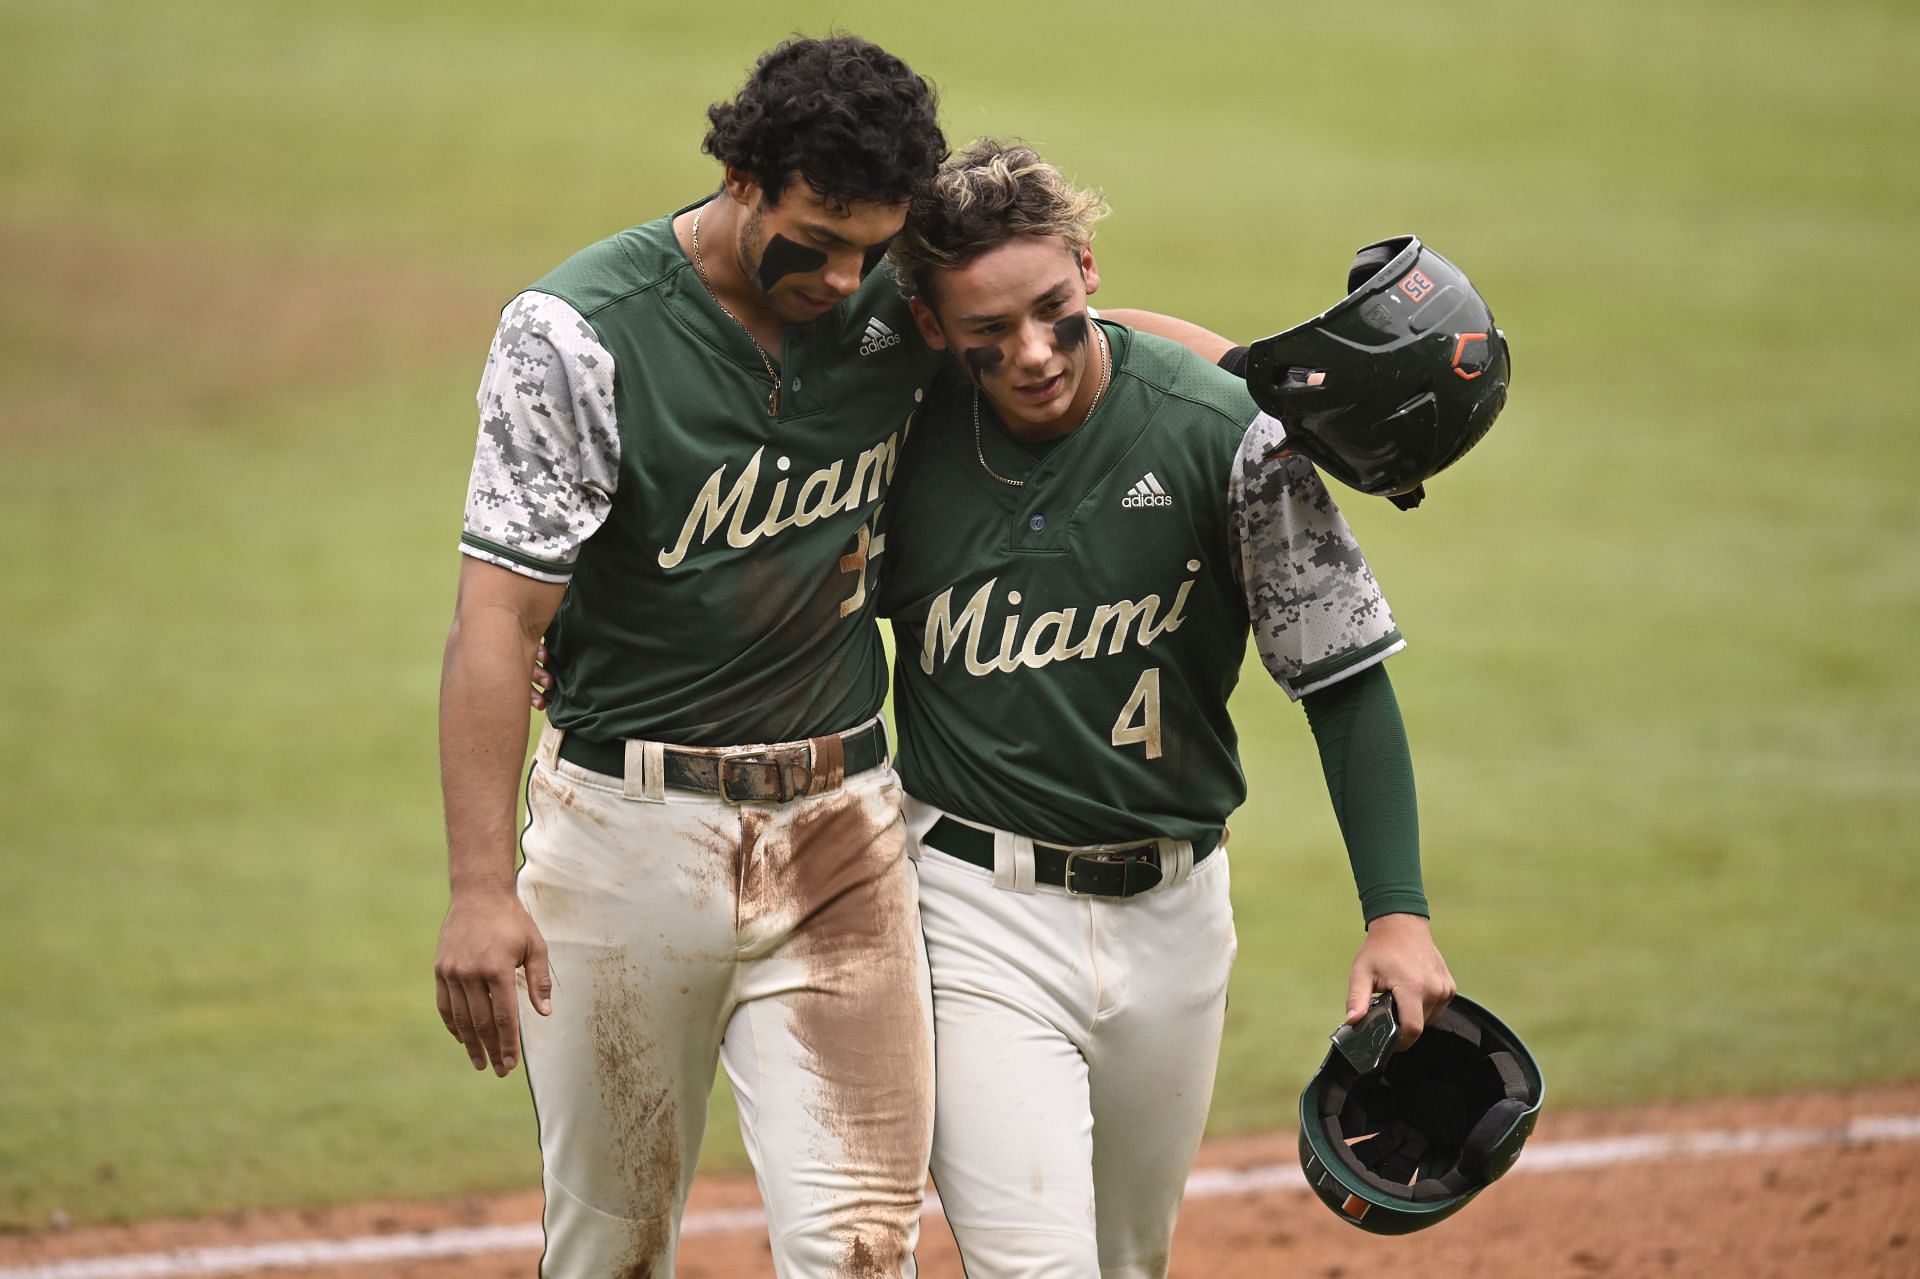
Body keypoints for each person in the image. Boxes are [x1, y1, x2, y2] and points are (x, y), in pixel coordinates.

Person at [876, 140, 1457, 1279]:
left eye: (1054, 309)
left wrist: (1399, 912)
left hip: (1178, 916)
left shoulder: (1221, 437)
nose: (1033, 352)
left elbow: (1341, 678)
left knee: (1126, 1258)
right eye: (990, 332)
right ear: (935, 326)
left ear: (1088, 267)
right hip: (968, 909)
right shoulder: (896, 437)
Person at [433, 36, 951, 1278]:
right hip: (624, 840)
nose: (842, 277)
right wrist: (477, 886)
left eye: (871, 247)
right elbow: (496, 620)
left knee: (866, 1249)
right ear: (741, 174)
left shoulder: (902, 295)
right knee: (611, 1247)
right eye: (815, 237)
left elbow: (1081, 346)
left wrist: (1255, 390)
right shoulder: (578, 332)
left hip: (844, 836)